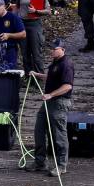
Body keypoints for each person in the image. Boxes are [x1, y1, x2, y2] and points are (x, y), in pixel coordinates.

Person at [25, 39, 74, 177]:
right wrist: (38, 75)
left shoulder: (66, 64)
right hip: (48, 103)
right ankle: (40, 162)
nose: (51, 50)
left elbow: (67, 86)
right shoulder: (55, 63)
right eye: (51, 48)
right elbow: (51, 77)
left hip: (59, 103)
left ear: (63, 49)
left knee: (59, 135)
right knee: (39, 130)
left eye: (55, 48)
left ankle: (61, 165)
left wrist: (50, 95)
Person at [16, 0, 51, 74]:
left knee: (36, 52)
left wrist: (36, 11)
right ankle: (28, 76)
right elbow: (17, 7)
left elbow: (48, 11)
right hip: (22, 24)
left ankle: (40, 76)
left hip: (34, 23)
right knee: (25, 52)